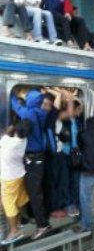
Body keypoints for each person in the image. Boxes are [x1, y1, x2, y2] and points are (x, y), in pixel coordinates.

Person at [11, 90, 52, 239]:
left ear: (30, 101)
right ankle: (31, 217)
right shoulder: (40, 112)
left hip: (33, 159)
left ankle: (43, 225)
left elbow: (15, 106)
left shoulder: (28, 114)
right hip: (38, 158)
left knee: (34, 193)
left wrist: (12, 94)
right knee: (35, 191)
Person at [0, 120, 32, 244]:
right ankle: (18, 224)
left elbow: (5, 135)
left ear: (16, 130)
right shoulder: (24, 141)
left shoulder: (8, 142)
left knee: (8, 205)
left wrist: (11, 126)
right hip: (19, 174)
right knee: (18, 201)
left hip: (8, 178)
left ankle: (14, 231)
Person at [76, 117, 94, 232]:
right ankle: (86, 221)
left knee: (85, 200)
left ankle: (86, 225)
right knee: (87, 199)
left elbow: (78, 144)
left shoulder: (83, 135)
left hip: (87, 172)